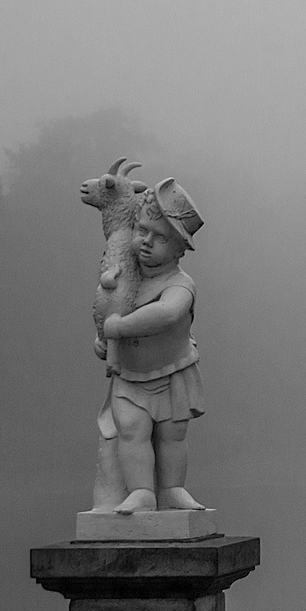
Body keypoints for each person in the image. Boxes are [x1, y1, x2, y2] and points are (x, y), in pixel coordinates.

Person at [98, 181, 206, 514]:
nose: (146, 242)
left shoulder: (180, 284)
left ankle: (172, 488)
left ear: (178, 250)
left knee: (172, 436)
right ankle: (142, 491)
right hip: (130, 377)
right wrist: (102, 338)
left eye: (159, 238)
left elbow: (166, 314)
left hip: (173, 372)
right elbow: (105, 310)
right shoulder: (129, 279)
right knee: (132, 431)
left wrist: (119, 327)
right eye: (142, 231)